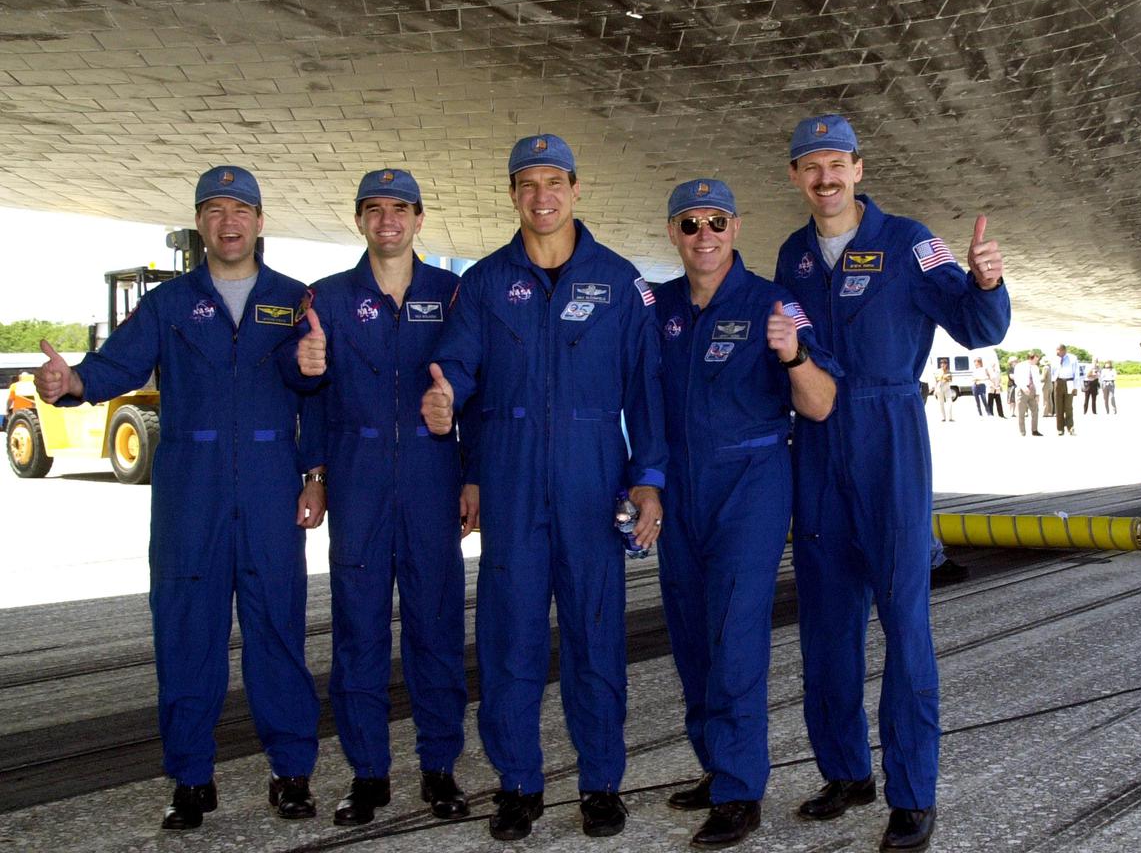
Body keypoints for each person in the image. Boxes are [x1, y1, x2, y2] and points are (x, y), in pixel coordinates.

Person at [34, 166, 323, 830]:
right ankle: (191, 778)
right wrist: (70, 380)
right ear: (200, 222)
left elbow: (318, 392)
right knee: (186, 634)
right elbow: (114, 369)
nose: (229, 222)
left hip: (271, 483)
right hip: (190, 491)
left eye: (240, 210)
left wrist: (316, 473)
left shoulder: (293, 299)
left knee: (277, 631)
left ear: (259, 219)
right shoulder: (168, 305)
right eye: (215, 210)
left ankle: (292, 771)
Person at [420, 134, 667, 841]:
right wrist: (445, 405)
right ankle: (518, 784)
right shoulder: (486, 282)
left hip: (594, 476)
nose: (542, 197)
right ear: (512, 195)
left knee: (596, 636)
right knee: (509, 637)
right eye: (527, 184)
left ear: (576, 189)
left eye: (553, 182)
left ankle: (600, 785)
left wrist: (647, 482)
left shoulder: (621, 284)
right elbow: (456, 369)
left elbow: (646, 397)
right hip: (511, 473)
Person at [773, 114, 1010, 851]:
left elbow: (976, 326)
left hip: (889, 435)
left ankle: (912, 793)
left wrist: (988, 282)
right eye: (811, 168)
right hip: (816, 441)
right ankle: (846, 773)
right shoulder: (793, 257)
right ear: (796, 178)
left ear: (859, 168)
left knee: (905, 625)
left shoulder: (908, 241)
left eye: (837, 164)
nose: (826, 179)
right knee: (827, 625)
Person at [653, 179, 837, 849]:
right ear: (674, 232)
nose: (705, 235)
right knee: (691, 635)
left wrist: (793, 354)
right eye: (691, 224)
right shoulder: (659, 307)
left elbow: (819, 404)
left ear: (736, 227)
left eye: (717, 221)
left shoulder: (772, 303)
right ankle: (715, 763)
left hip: (749, 483)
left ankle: (739, 791)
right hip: (678, 486)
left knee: (734, 637)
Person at [296, 169, 470, 827]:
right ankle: (368, 773)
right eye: (375, 209)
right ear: (361, 220)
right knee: (358, 631)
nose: (388, 220)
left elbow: (476, 389)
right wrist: (313, 474)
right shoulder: (332, 299)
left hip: (431, 476)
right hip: (358, 476)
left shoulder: (453, 294)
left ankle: (439, 767)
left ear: (420, 219)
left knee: (436, 627)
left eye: (400, 209)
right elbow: (311, 396)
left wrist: (472, 474)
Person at [1053, 344, 1079, 435]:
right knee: (1058, 406)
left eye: (1058, 350)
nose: (1057, 352)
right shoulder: (1055, 359)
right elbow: (1052, 371)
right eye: (1056, 350)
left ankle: (1070, 427)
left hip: (1069, 382)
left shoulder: (1073, 358)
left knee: (1068, 406)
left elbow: (1076, 373)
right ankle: (1060, 429)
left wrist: (1076, 387)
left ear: (1064, 350)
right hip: (1058, 382)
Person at [1014, 353, 1042, 436]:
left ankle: (1034, 430)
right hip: (1022, 391)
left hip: (1033, 391)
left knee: (1035, 411)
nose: (1037, 361)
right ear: (1030, 358)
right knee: (1021, 412)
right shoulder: (1019, 366)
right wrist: (1023, 387)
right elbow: (1017, 379)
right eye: (1036, 360)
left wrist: (1038, 394)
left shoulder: (1036, 368)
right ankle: (1022, 431)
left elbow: (1037, 381)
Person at [1041, 352, 1055, 418]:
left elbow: (1043, 378)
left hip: (1046, 384)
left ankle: (1045, 412)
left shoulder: (1045, 368)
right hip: (1051, 384)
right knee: (1050, 399)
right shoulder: (1050, 367)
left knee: (1045, 399)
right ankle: (1050, 412)